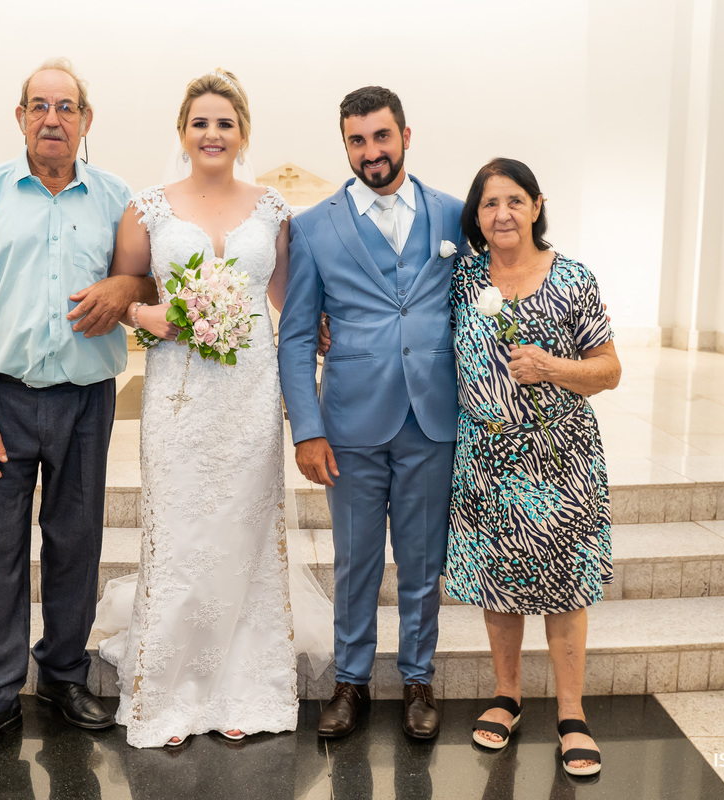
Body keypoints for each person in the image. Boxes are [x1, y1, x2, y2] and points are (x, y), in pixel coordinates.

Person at [0, 58, 155, 764]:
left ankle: (62, 675)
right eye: (39, 106)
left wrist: (123, 283)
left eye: (67, 107)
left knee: (76, 540)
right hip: (5, 401)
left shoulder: (116, 199)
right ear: (20, 116)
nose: (53, 118)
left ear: (86, 120)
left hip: (86, 399)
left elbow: (145, 273)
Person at [96, 68, 314, 749]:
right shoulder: (147, 208)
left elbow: (287, 299)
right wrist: (145, 316)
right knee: (183, 532)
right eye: (200, 122)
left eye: (225, 122)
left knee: (245, 532)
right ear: (183, 133)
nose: (212, 133)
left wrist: (333, 334)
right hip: (179, 393)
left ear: (242, 132)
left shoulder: (273, 210)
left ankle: (246, 684)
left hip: (249, 392)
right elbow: (126, 293)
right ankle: (171, 693)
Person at [277, 86, 465, 740]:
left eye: (381, 137)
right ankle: (350, 683)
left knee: (422, 561)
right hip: (351, 423)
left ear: (406, 136)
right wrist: (308, 429)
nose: (371, 152)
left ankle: (418, 680)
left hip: (431, 419)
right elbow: (298, 334)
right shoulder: (313, 226)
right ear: (346, 144)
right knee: (355, 562)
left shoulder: (451, 216)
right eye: (357, 140)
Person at [445, 158, 621, 777]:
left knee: (566, 583)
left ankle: (572, 712)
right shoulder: (463, 279)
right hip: (487, 455)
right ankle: (508, 695)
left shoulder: (572, 278)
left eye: (514, 201)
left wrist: (552, 367)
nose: (502, 215)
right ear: (477, 214)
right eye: (490, 204)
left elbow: (610, 369)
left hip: (559, 455)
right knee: (500, 580)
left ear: (537, 205)